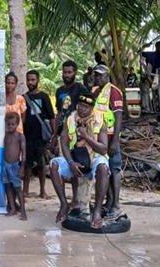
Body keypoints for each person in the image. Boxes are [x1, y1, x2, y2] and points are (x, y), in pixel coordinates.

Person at [49, 93, 110, 229]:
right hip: (75, 158)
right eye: (80, 105)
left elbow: (103, 149)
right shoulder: (70, 119)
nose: (82, 109)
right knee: (54, 164)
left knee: (103, 167)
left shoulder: (100, 121)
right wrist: (71, 162)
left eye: (86, 107)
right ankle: (64, 204)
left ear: (92, 108)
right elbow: (64, 143)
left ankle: (97, 212)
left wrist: (86, 137)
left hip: (94, 158)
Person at [89, 64, 126, 218]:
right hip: (98, 138)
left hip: (110, 137)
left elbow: (118, 117)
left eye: (100, 75)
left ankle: (116, 205)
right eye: (96, 75)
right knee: (105, 170)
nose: (97, 77)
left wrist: (115, 140)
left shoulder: (114, 92)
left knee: (114, 169)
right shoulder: (95, 91)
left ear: (107, 76)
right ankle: (108, 203)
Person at [22, 70, 54, 199]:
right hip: (27, 136)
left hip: (41, 136)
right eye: (28, 80)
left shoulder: (44, 97)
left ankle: (42, 191)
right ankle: (25, 190)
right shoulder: (23, 97)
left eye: (33, 80)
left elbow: (51, 116)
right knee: (27, 164)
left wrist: (54, 134)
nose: (30, 82)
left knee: (41, 163)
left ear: (38, 80)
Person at [3, 112, 27, 221]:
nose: (10, 126)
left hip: (15, 165)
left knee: (18, 188)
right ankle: (12, 208)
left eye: (13, 124)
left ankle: (23, 210)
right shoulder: (5, 135)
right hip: (5, 164)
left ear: (17, 124)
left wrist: (22, 167)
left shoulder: (20, 136)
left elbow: (24, 153)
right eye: (8, 124)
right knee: (8, 186)